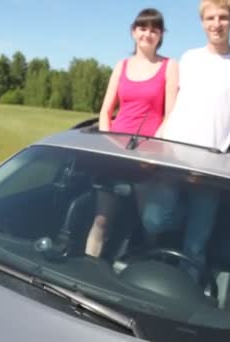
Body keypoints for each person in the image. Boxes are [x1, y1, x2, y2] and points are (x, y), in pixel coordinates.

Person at [144, 0, 230, 271]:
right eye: (210, 18)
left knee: (195, 246)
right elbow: (172, 111)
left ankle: (188, 299)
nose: (216, 24)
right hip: (172, 163)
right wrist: (154, 146)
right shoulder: (189, 58)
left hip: (209, 172)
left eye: (222, 17)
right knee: (154, 220)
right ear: (202, 22)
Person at [85, 8, 178, 257]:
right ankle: (88, 266)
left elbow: (170, 116)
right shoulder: (121, 65)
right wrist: (109, 146)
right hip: (114, 154)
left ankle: (149, 266)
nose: (148, 33)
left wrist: (152, 152)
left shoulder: (169, 66)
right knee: (102, 220)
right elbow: (105, 112)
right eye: (143, 28)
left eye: (154, 29)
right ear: (133, 32)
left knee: (149, 224)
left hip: (148, 158)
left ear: (160, 35)